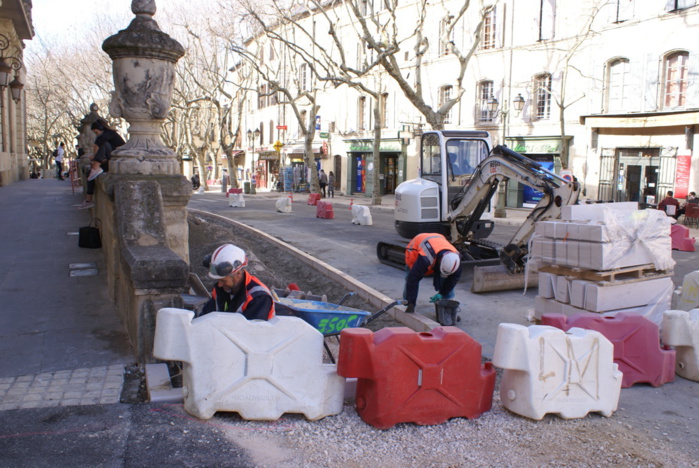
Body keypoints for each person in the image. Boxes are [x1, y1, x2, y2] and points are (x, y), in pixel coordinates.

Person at [200, 244, 276, 320]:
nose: (219, 285)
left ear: (238, 274)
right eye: (218, 280)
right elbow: (205, 317)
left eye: (223, 280)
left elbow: (251, 330)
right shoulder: (221, 290)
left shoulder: (259, 297)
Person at [403, 233, 462, 313]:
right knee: (410, 279)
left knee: (446, 279)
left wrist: (442, 293)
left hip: (437, 244)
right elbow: (413, 279)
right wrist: (411, 304)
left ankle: (450, 308)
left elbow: (453, 279)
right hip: (415, 251)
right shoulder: (425, 259)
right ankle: (407, 304)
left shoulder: (456, 261)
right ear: (439, 261)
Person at [76, 120, 126, 210]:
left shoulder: (110, 133)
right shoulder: (105, 135)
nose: (96, 134)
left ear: (101, 128)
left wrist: (95, 158)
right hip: (111, 159)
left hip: (119, 161)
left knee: (104, 144)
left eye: (96, 132)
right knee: (89, 174)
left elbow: (97, 144)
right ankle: (88, 200)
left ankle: (96, 167)